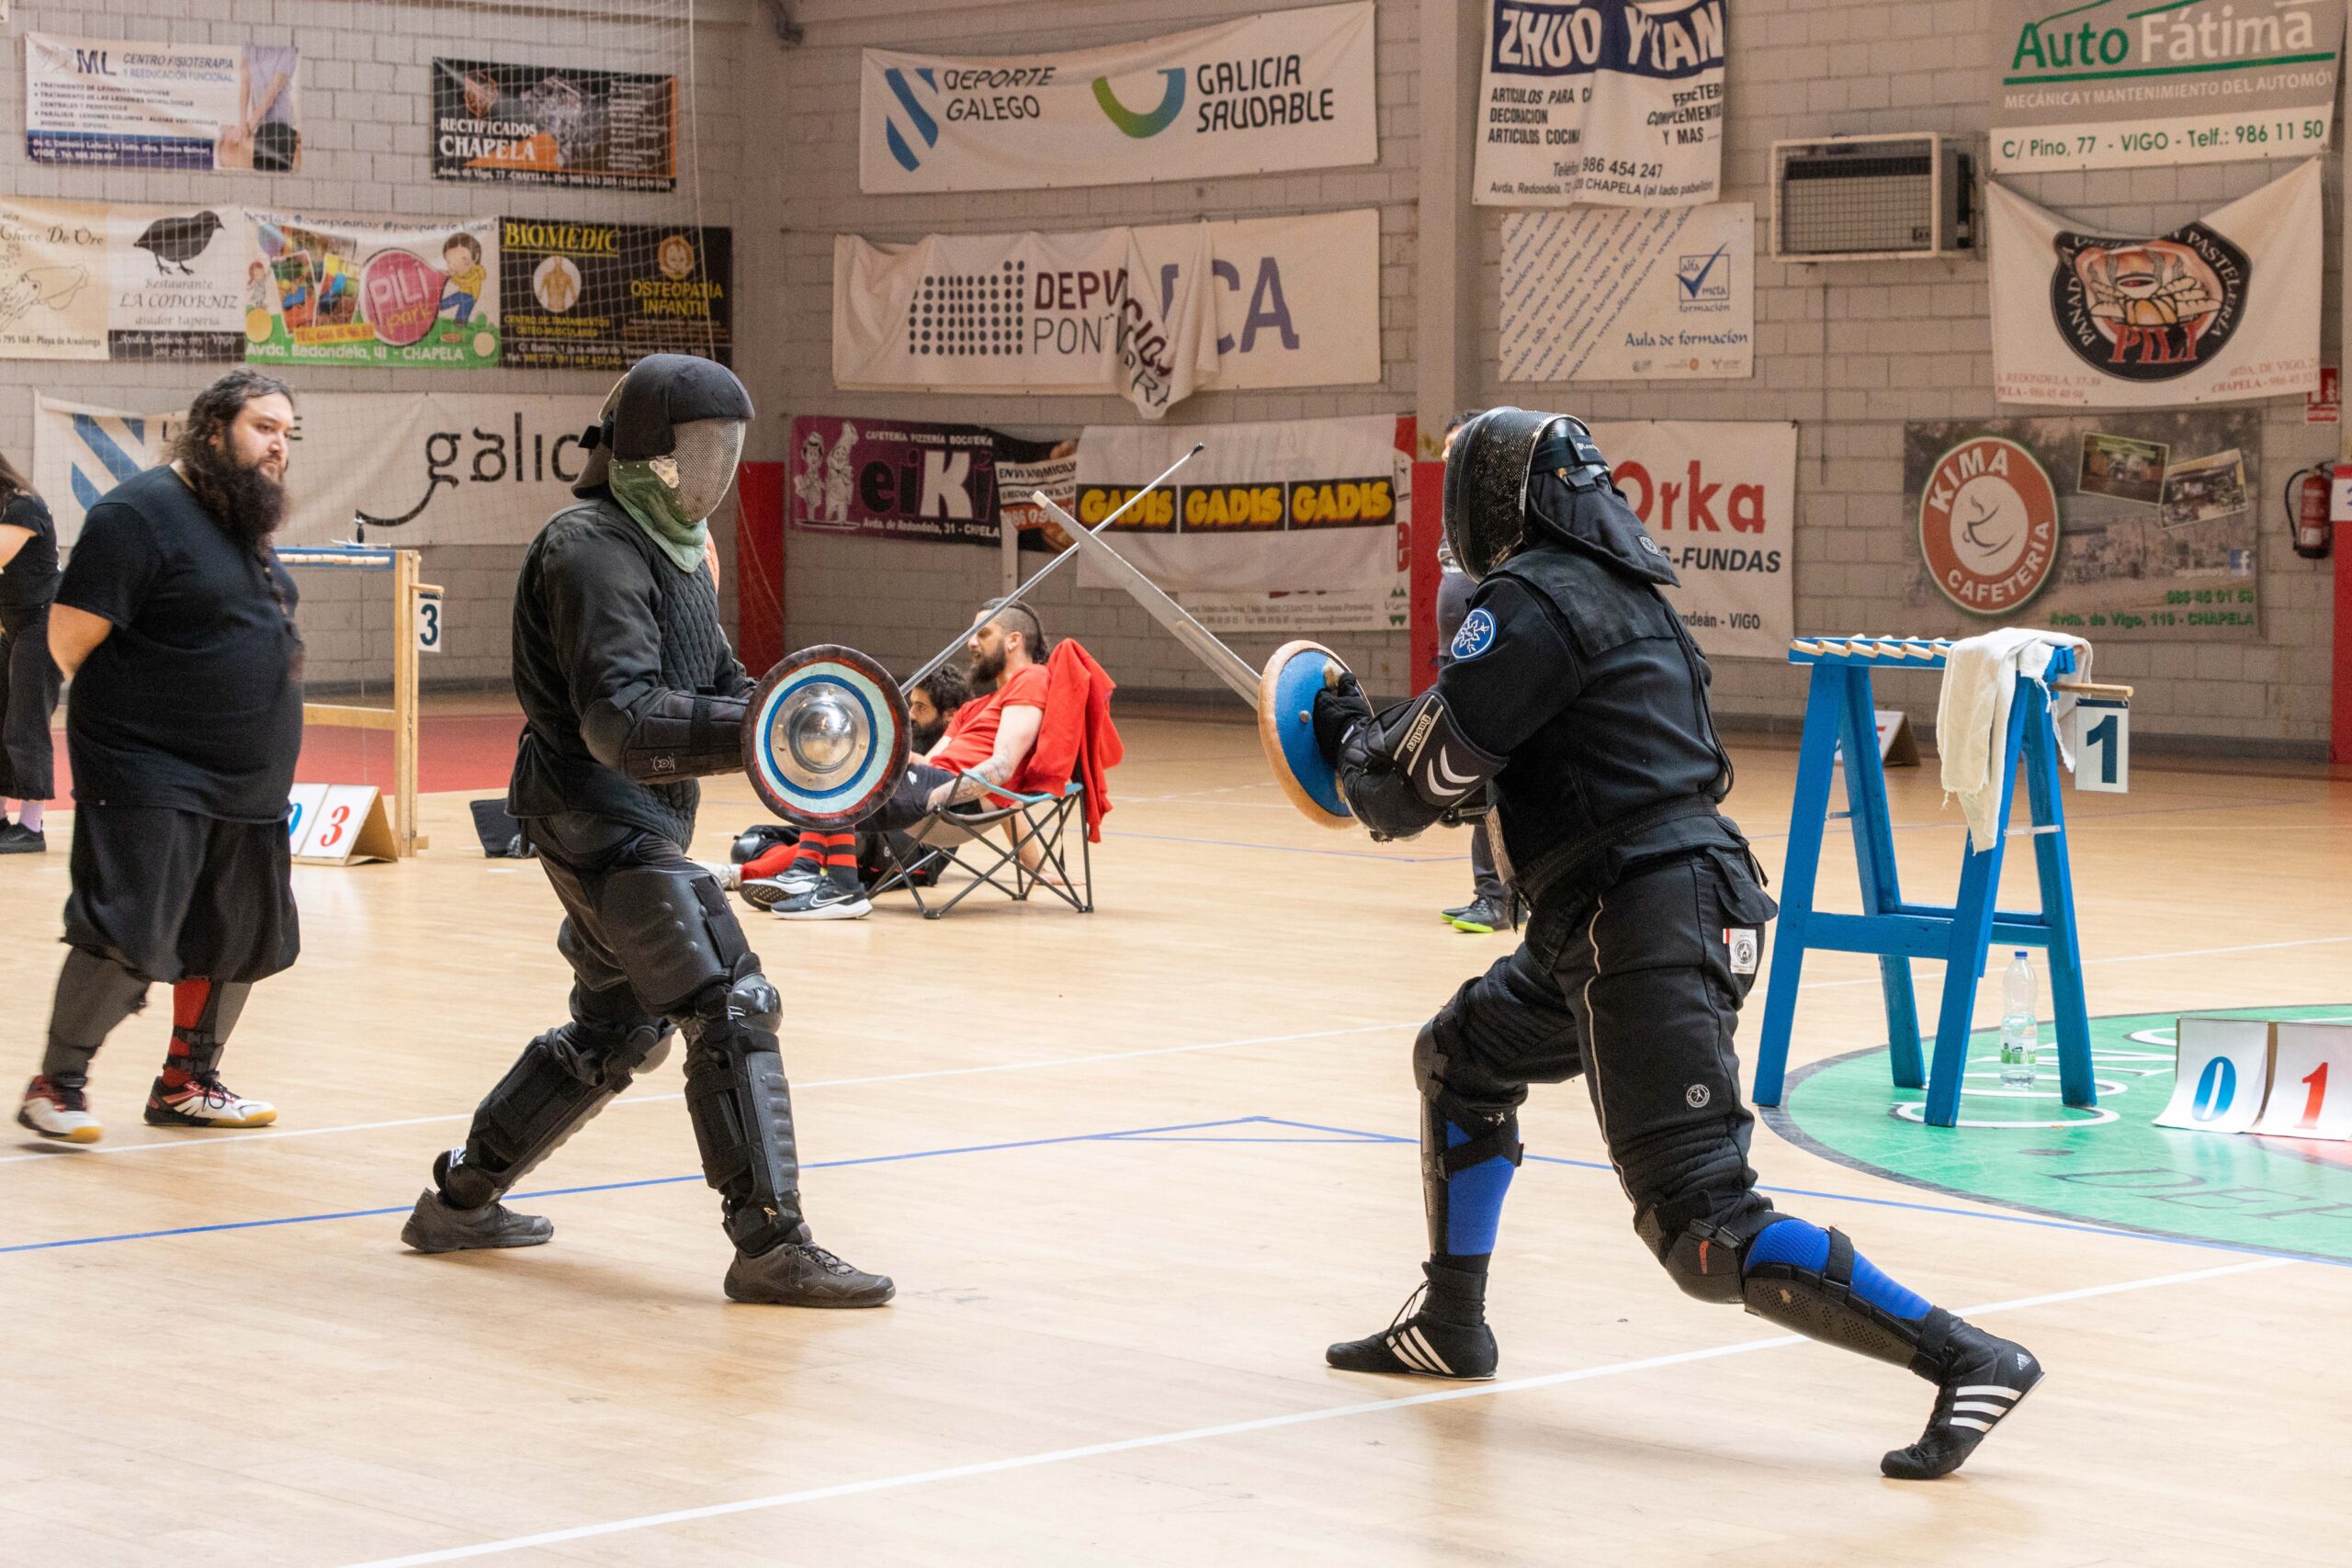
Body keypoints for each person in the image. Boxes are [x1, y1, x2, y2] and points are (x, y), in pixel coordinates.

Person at [1311, 409, 2042, 1481]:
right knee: (1461, 1058)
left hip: (1641, 924)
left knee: (1701, 1225)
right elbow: (1483, 749)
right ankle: (1451, 1325)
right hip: (1619, 920)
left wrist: (1339, 737)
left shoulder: (1528, 603)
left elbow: (1403, 795)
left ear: (1496, 498)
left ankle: (1967, 1358)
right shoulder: (1619, 598)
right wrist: (1371, 729)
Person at [399, 354, 890, 1308]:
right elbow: (621, 721)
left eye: (727, 451)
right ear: (645, 451)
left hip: (622, 818)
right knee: (732, 1002)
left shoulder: (670, 549)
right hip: (597, 816)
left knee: (619, 1025)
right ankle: (770, 1244)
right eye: (698, 448)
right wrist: (762, 730)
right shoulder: (588, 546)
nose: (711, 470)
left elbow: (719, 689)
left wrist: (821, 729)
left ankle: (459, 1198)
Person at [15, 371, 304, 1145]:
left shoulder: (239, 518)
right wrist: (149, 731)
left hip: (248, 781)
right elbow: (67, 639)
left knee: (238, 935)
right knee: (128, 929)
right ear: (213, 430)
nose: (279, 445)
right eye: (263, 427)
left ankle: (188, 1082)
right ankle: (57, 1084)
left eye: (287, 432)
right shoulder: (135, 514)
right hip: (149, 772)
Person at [763, 603, 1049, 921]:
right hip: (933, 779)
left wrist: (942, 795)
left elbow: (1002, 767)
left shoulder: (1032, 679)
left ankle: (841, 889)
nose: (971, 642)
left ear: (1013, 640)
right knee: (834, 763)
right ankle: (805, 872)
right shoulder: (974, 707)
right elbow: (930, 760)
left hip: (953, 794)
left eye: (982, 633)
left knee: (847, 779)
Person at [736, 660, 972, 910]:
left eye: (921, 707)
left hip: (922, 844)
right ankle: (801, 870)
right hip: (881, 819)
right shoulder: (913, 735)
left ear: (950, 715)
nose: (911, 714)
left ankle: (745, 874)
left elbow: (941, 773)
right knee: (754, 840)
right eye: (911, 704)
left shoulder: (957, 745)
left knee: (848, 828)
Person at [1432, 412, 1510, 934]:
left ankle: (1497, 897)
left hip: (1480, 658)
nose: (1444, 460)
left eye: (1454, 449)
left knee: (1484, 769)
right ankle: (1491, 893)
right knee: (1467, 768)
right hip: (1454, 657)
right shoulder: (1455, 505)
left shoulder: (1495, 507)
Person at [0, 452, 62, 854]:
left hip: (44, 625)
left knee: (26, 722)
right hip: (13, 626)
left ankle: (31, 826)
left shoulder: (22, 506)